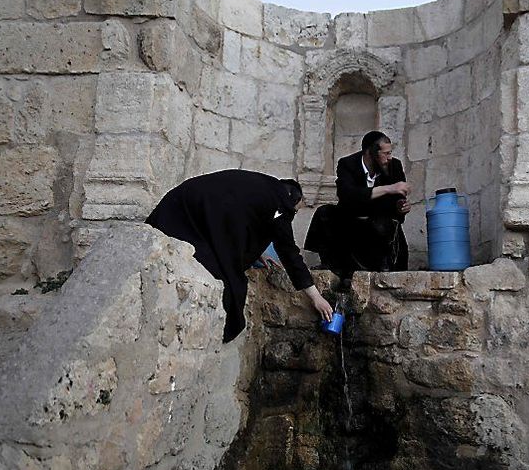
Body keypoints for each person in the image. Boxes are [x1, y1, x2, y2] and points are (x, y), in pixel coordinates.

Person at [145, 169, 334, 343]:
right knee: (231, 280)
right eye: (296, 210)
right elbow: (289, 253)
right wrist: (316, 297)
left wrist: (257, 252)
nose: (292, 216)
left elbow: (248, 217)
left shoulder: (266, 187)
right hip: (199, 208)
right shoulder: (282, 206)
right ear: (294, 201)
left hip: (180, 202)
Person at [304, 130, 411, 278]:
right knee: (325, 213)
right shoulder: (347, 164)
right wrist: (389, 189)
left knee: (384, 225)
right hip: (351, 218)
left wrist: (401, 207)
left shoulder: (395, 166)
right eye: (385, 154)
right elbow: (348, 195)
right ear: (370, 153)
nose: (389, 158)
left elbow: (398, 200)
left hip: (380, 220)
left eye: (390, 153)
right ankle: (331, 264)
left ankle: (383, 266)